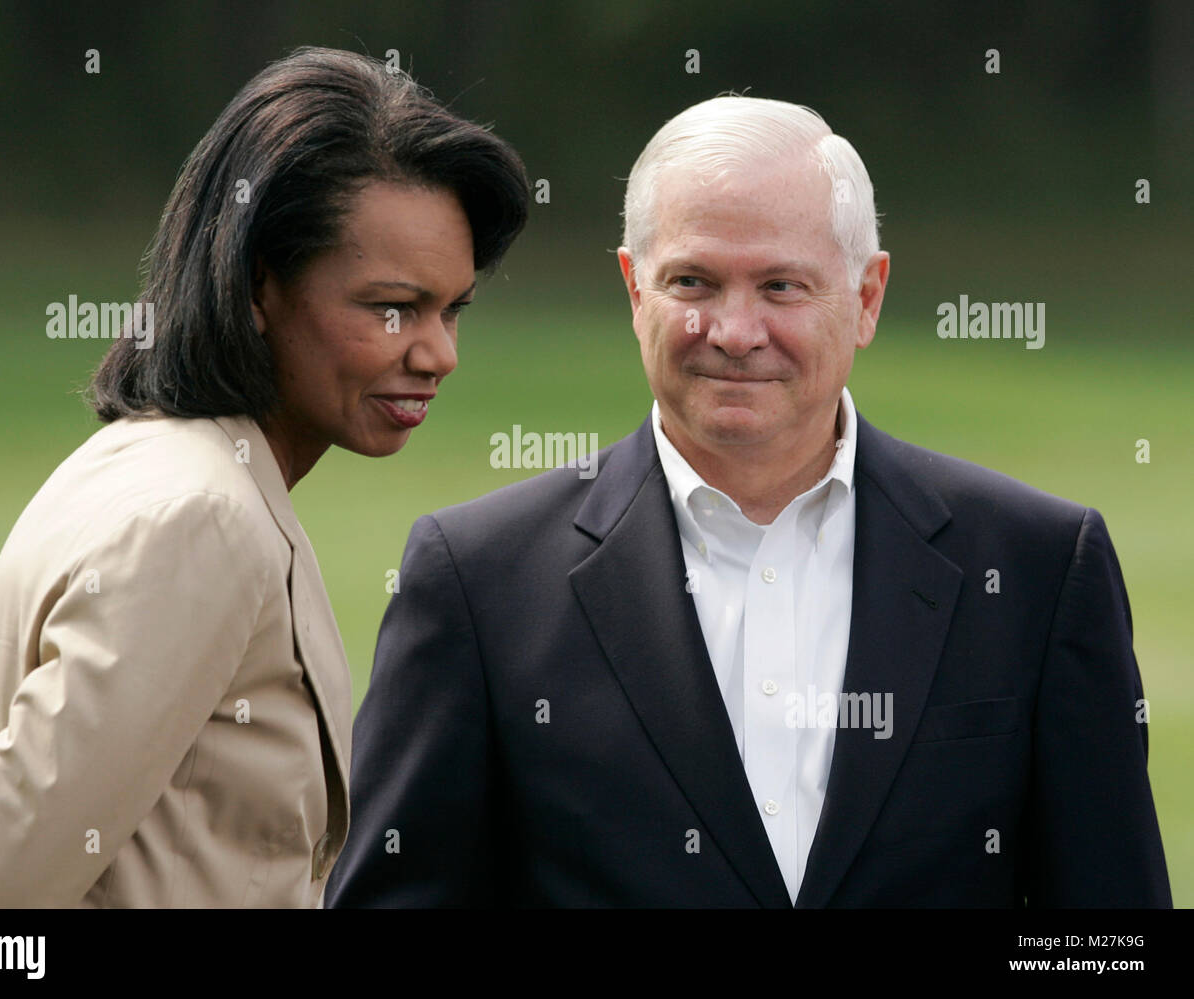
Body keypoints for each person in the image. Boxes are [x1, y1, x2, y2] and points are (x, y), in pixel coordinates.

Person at [324, 95, 1171, 907]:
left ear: (866, 297)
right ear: (634, 291)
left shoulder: (1037, 566)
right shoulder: (478, 581)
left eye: (781, 287)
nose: (734, 331)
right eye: (692, 282)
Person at [0, 46, 528, 907]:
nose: (439, 354)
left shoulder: (160, 463)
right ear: (258, 283)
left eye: (452, 310)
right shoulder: (200, 518)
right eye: (392, 308)